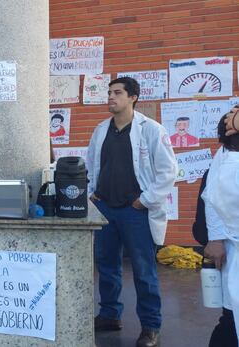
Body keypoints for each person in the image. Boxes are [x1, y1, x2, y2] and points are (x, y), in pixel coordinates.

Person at [86, 77, 177, 347]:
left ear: (133, 97)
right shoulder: (101, 130)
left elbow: (167, 171)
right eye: (109, 93)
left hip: (135, 211)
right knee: (107, 266)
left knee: (143, 270)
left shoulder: (151, 130)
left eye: (117, 93)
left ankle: (150, 326)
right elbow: (92, 164)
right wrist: (93, 193)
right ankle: (110, 315)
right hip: (105, 208)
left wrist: (145, 200)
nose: (111, 97)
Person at [202, 112, 239, 346]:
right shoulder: (230, 162)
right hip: (230, 241)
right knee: (230, 317)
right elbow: (211, 198)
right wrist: (215, 239)